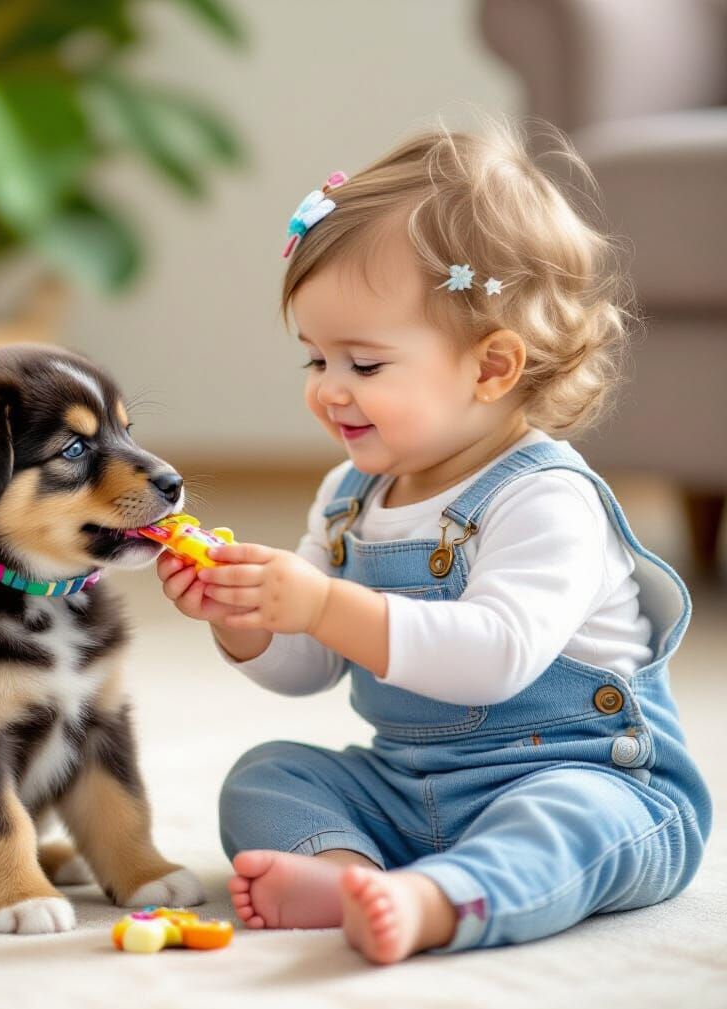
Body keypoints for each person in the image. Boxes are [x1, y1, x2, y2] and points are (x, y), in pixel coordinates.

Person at [156, 118, 712, 965]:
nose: (329, 391)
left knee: (569, 824)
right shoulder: (350, 498)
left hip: (589, 776)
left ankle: (436, 900)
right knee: (269, 774)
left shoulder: (544, 500)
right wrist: (247, 621)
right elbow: (309, 666)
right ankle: (346, 875)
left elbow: (492, 657)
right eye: (315, 361)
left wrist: (324, 603)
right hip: (414, 788)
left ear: (492, 368)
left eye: (364, 365)